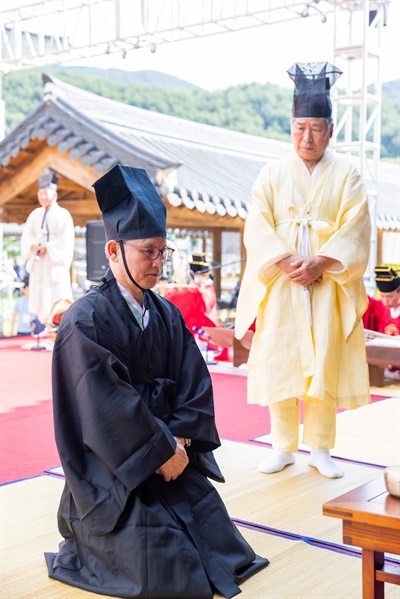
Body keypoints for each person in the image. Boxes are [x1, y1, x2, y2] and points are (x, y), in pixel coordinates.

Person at [45, 165, 268, 599]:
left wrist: (179, 444)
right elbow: (103, 407)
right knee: (163, 567)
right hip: (113, 475)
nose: (157, 263)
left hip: (172, 456)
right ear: (113, 250)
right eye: (148, 251)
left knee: (223, 545)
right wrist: (158, 451)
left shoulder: (166, 314)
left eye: (163, 252)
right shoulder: (84, 321)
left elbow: (193, 384)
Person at [235, 62, 371, 479]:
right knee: (281, 358)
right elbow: (256, 223)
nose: (306, 137)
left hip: (327, 283)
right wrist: (287, 261)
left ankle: (322, 448)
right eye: (299, 128)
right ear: (290, 127)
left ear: (330, 130)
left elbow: (357, 225)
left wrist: (320, 263)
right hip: (283, 283)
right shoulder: (272, 174)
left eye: (315, 128)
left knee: (326, 358)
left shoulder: (347, 173)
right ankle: (282, 446)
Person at [20, 169, 75, 324]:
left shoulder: (63, 215)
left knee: (56, 298)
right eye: (40, 193)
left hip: (54, 265)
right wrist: (33, 246)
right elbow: (26, 237)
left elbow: (66, 240)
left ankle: (57, 330)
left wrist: (49, 247)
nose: (43, 196)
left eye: (46, 193)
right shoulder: (34, 214)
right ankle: (41, 327)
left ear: (54, 195)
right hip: (39, 263)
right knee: (39, 296)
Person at [363, 266, 400, 380]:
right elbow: (364, 302)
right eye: (382, 296)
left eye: (390, 296)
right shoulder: (379, 307)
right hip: (385, 367)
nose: (385, 301)